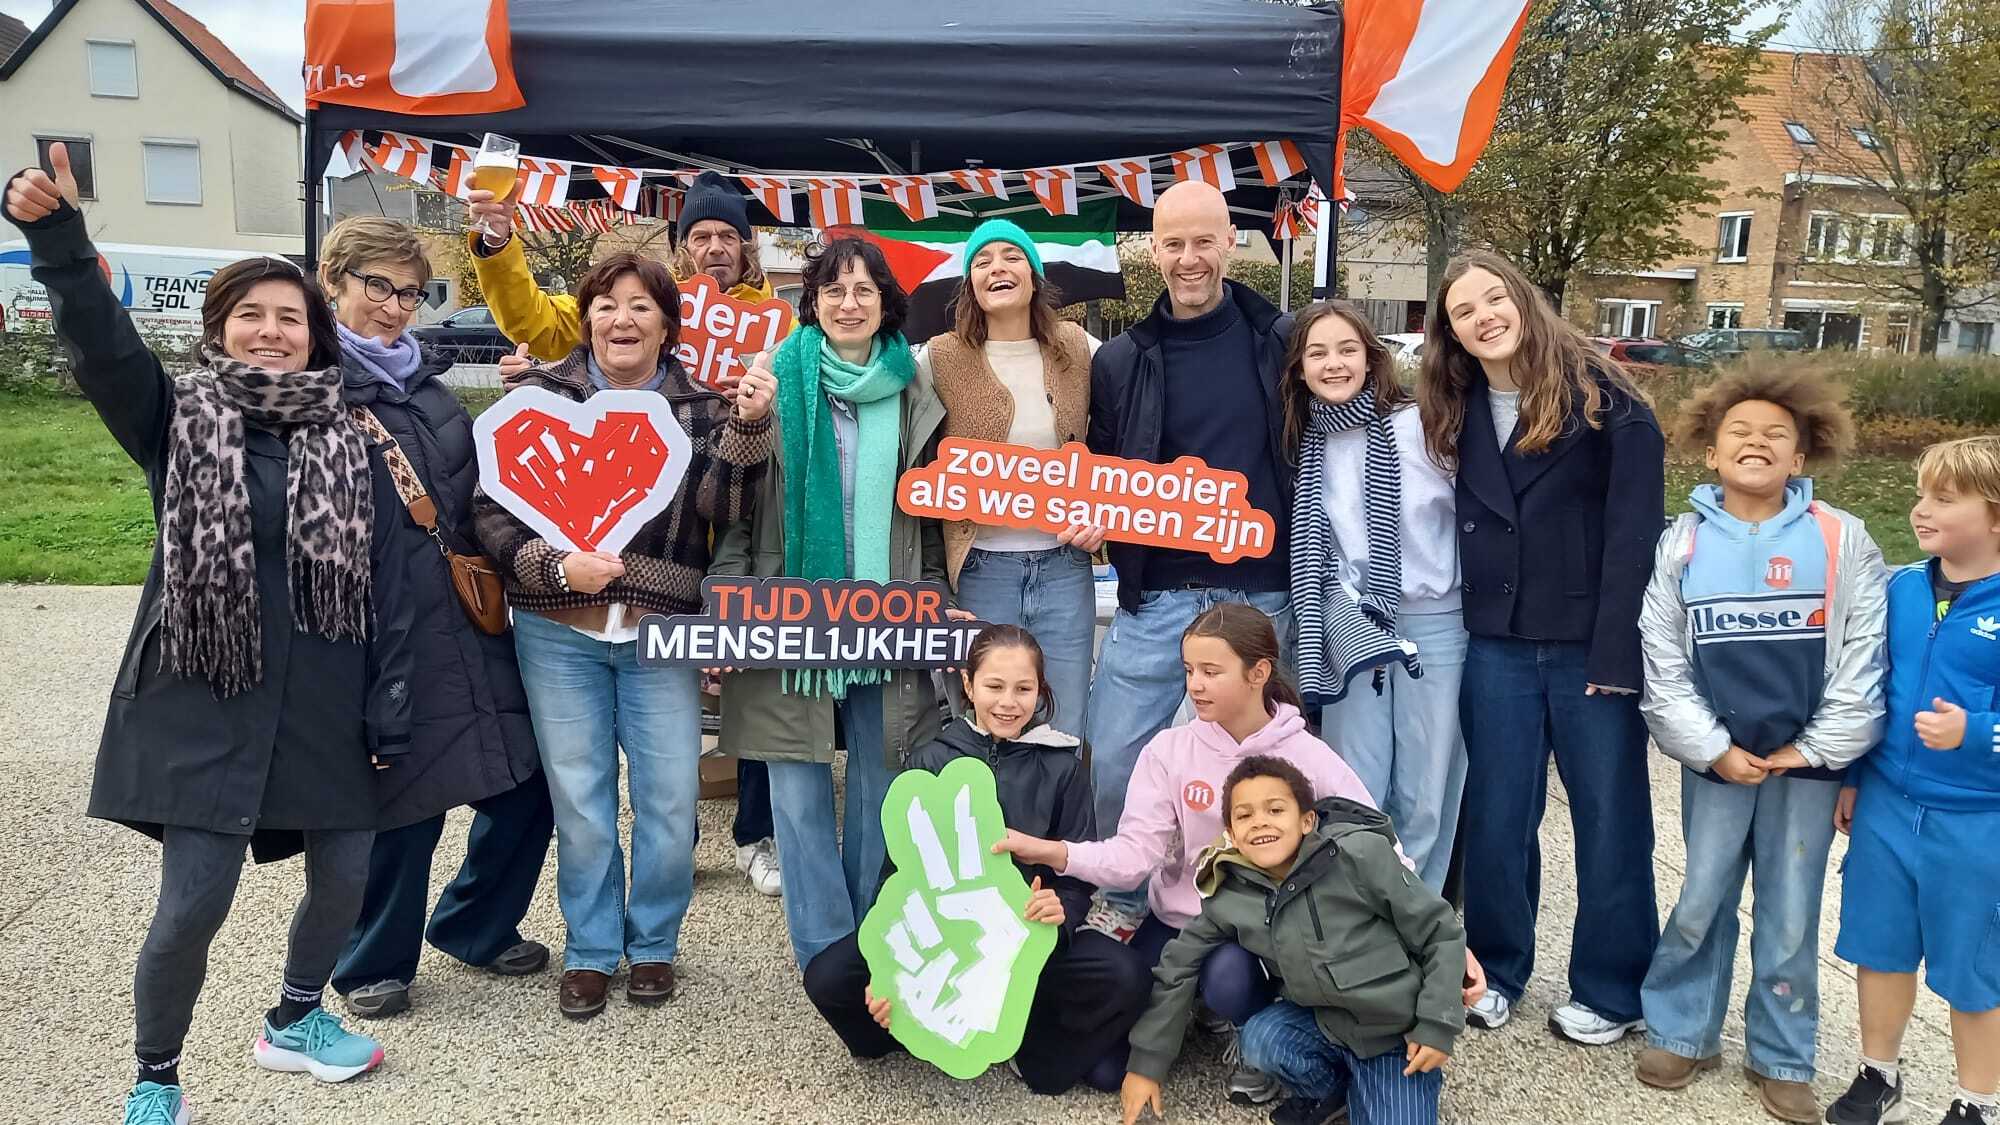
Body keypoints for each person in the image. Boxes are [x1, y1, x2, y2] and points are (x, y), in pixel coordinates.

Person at [7, 147, 407, 1123]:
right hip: (203, 696)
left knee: (347, 877)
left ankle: (297, 1018)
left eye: (290, 318)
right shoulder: (175, 418)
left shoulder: (352, 437)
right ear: (220, 329)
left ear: (315, 337)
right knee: (195, 902)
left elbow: (390, 583)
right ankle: (156, 1078)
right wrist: (60, 240)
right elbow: (100, 346)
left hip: (324, 699)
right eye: (251, 316)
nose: (272, 332)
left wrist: (390, 702)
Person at [471, 252, 776, 1021]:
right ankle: (591, 950)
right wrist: (557, 564)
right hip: (556, 625)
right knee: (580, 798)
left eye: (641, 306)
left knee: (671, 798)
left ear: (667, 324)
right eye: (607, 304)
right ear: (587, 317)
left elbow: (725, 507)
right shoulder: (538, 396)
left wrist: (746, 426)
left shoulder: (702, 406)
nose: (623, 320)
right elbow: (492, 510)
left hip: (660, 630)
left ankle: (654, 943)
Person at [996, 603, 1410, 1107]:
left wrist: (1435, 944)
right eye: (1189, 670)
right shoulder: (1169, 751)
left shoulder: (1308, 756)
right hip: (1177, 924)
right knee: (1106, 1069)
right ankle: (1189, 1010)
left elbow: (1377, 845)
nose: (1195, 685)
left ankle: (1248, 1025)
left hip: (1259, 931)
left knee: (1227, 977)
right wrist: (1054, 852)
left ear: (1258, 673)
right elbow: (1134, 857)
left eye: (1212, 672)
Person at [312, 216, 557, 1021]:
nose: (393, 306)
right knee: (405, 801)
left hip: (467, 619)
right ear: (334, 282)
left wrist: (531, 413)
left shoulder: (429, 385)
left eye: (409, 291)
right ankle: (371, 960)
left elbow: (480, 492)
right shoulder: (312, 387)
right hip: (382, 634)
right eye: (377, 286)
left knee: (528, 782)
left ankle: (475, 923)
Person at [1418, 250, 1664, 1047]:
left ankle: (1612, 984)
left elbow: (1635, 537)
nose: (1484, 316)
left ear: (1523, 299)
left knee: (1611, 820)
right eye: (1464, 311)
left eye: (1495, 297)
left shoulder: (1608, 398)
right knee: (1495, 817)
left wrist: (1616, 657)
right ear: (1449, 332)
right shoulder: (1452, 406)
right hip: (1495, 643)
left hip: (1588, 644)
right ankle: (1494, 968)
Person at [1634, 366, 1886, 1123]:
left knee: (1789, 911)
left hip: (1804, 767)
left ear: (1800, 458)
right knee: (1699, 898)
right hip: (1718, 763)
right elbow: (1663, 660)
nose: (1757, 441)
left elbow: (1864, 655)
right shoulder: (1681, 544)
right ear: (1710, 453)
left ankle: (1782, 1053)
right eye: (1738, 431)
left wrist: (1815, 749)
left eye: (1776, 433)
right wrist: (1710, 747)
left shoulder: (1841, 539)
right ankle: (1683, 1030)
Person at [712, 235, 954, 972]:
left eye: (863, 290)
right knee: (795, 782)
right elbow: (732, 506)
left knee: (884, 781)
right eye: (832, 290)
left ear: (887, 305)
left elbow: (933, 512)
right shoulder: (771, 382)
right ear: (811, 302)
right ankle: (824, 951)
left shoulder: (917, 390)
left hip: (889, 612)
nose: (848, 303)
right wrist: (747, 427)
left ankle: (870, 934)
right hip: (790, 611)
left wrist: (935, 595)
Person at [802, 624, 1152, 1094]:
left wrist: (1061, 913)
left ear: (1040, 691)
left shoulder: (1062, 766)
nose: (1008, 702)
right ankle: (914, 1028)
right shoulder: (929, 761)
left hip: (1023, 938)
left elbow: (1075, 878)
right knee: (827, 977)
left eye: (1023, 688)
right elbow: (896, 877)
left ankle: (1027, 1046)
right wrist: (892, 973)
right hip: (940, 936)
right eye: (994, 686)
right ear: (968, 685)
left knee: (1125, 976)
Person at [1082, 179, 1295, 945]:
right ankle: (1128, 896)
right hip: (1157, 593)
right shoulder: (1120, 358)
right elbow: (1104, 469)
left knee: (1240, 772)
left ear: (1232, 243)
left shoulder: (1284, 340)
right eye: (1173, 242)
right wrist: (1094, 519)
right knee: (1114, 756)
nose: (1189, 257)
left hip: (1257, 594)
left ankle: (1230, 919)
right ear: (1152, 250)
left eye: (1204, 240)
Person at [1119, 755, 1467, 1125]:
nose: (1260, 822)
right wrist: (1146, 1064)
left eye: (1275, 809)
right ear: (1232, 835)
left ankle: (1379, 1089)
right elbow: (1178, 965)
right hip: (1322, 1023)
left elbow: (1440, 930)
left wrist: (1436, 1025)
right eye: (1244, 815)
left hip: (1393, 1037)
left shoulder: (1360, 855)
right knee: (1260, 1040)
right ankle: (1332, 1094)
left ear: (1307, 820)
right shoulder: (1230, 895)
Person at [1825, 436, 2000, 1125]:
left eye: (1945, 498)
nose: (1922, 510)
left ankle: (1977, 1100)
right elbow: (1872, 687)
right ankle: (1879, 1072)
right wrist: (1852, 773)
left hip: (1976, 819)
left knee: (1973, 964)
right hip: (1888, 806)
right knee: (1880, 943)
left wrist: (1979, 729)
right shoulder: (1900, 587)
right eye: (1922, 493)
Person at [1280, 300, 1465, 890]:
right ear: (1300, 369)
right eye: (1318, 353)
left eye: (1346, 350)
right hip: (1349, 628)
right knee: (1353, 787)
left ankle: (1421, 923)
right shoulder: (1306, 445)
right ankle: (1360, 925)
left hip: (1433, 622)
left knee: (1426, 790)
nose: (1333, 364)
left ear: (1370, 357)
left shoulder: (1421, 425)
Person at [920, 218, 1100, 735]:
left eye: (1011, 256)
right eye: (982, 261)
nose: (997, 267)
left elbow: (1118, 433)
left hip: (1065, 566)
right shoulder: (940, 356)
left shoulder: (1078, 347)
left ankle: (1051, 820)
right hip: (981, 570)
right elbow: (873, 372)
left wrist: (1104, 519)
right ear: (970, 284)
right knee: (987, 722)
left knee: (1063, 723)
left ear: (1035, 274)